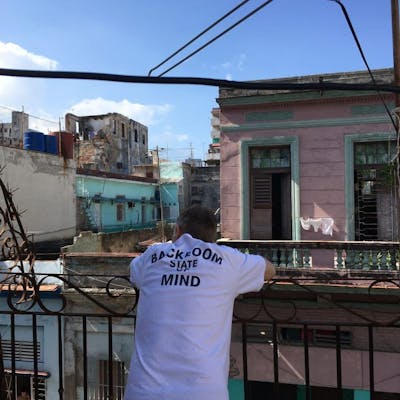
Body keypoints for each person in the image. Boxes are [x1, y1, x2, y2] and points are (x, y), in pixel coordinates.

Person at [124, 205, 275, 400]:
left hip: (144, 391)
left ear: (177, 230)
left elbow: (132, 271)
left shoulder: (153, 255)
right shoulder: (228, 259)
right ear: (213, 238)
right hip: (203, 391)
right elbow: (269, 270)